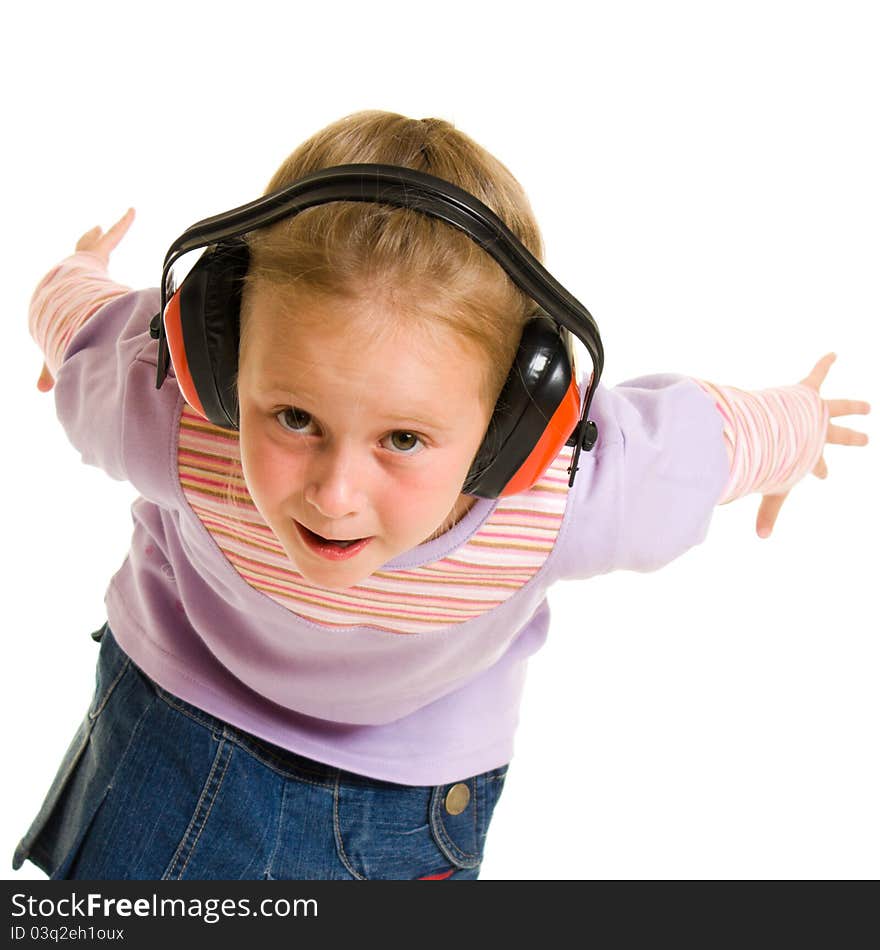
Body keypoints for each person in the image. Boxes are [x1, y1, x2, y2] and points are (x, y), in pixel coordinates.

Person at [13, 110, 870, 881]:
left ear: (518, 426)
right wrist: (77, 269)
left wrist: (798, 427)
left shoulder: (565, 494)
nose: (336, 493)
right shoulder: (167, 411)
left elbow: (710, 441)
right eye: (295, 416)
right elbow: (82, 321)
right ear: (216, 357)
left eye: (404, 439)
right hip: (170, 729)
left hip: (406, 802)